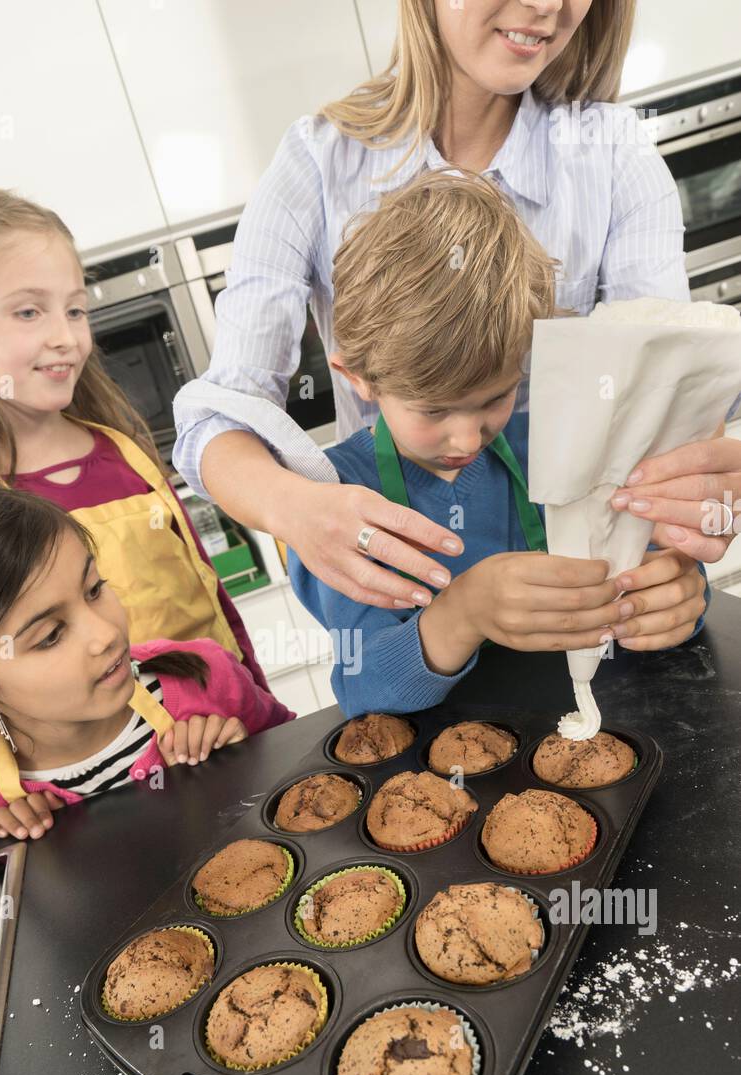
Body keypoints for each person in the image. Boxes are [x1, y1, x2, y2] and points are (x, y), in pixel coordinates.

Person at [173, 0, 741, 612]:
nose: (549, 5)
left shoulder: (614, 154)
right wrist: (299, 510)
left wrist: (680, 549)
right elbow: (220, 415)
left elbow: (668, 402)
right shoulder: (318, 164)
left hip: (600, 593)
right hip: (416, 609)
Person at [289, 171, 707, 715]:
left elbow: (656, 571)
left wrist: (676, 598)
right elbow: (364, 692)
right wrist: (464, 613)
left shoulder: (561, 445)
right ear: (358, 378)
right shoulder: (335, 500)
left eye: (495, 397)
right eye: (434, 409)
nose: (466, 437)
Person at [0, 189, 269, 691]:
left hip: (233, 734)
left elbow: (216, 610)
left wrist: (259, 705)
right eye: (29, 312)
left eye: (75, 310)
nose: (67, 337)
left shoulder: (126, 453)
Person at [0, 486, 292, 847]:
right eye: (51, 635)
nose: (105, 634)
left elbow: (300, 760)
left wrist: (245, 756)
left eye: (94, 589)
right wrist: (0, 849)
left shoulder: (207, 677)